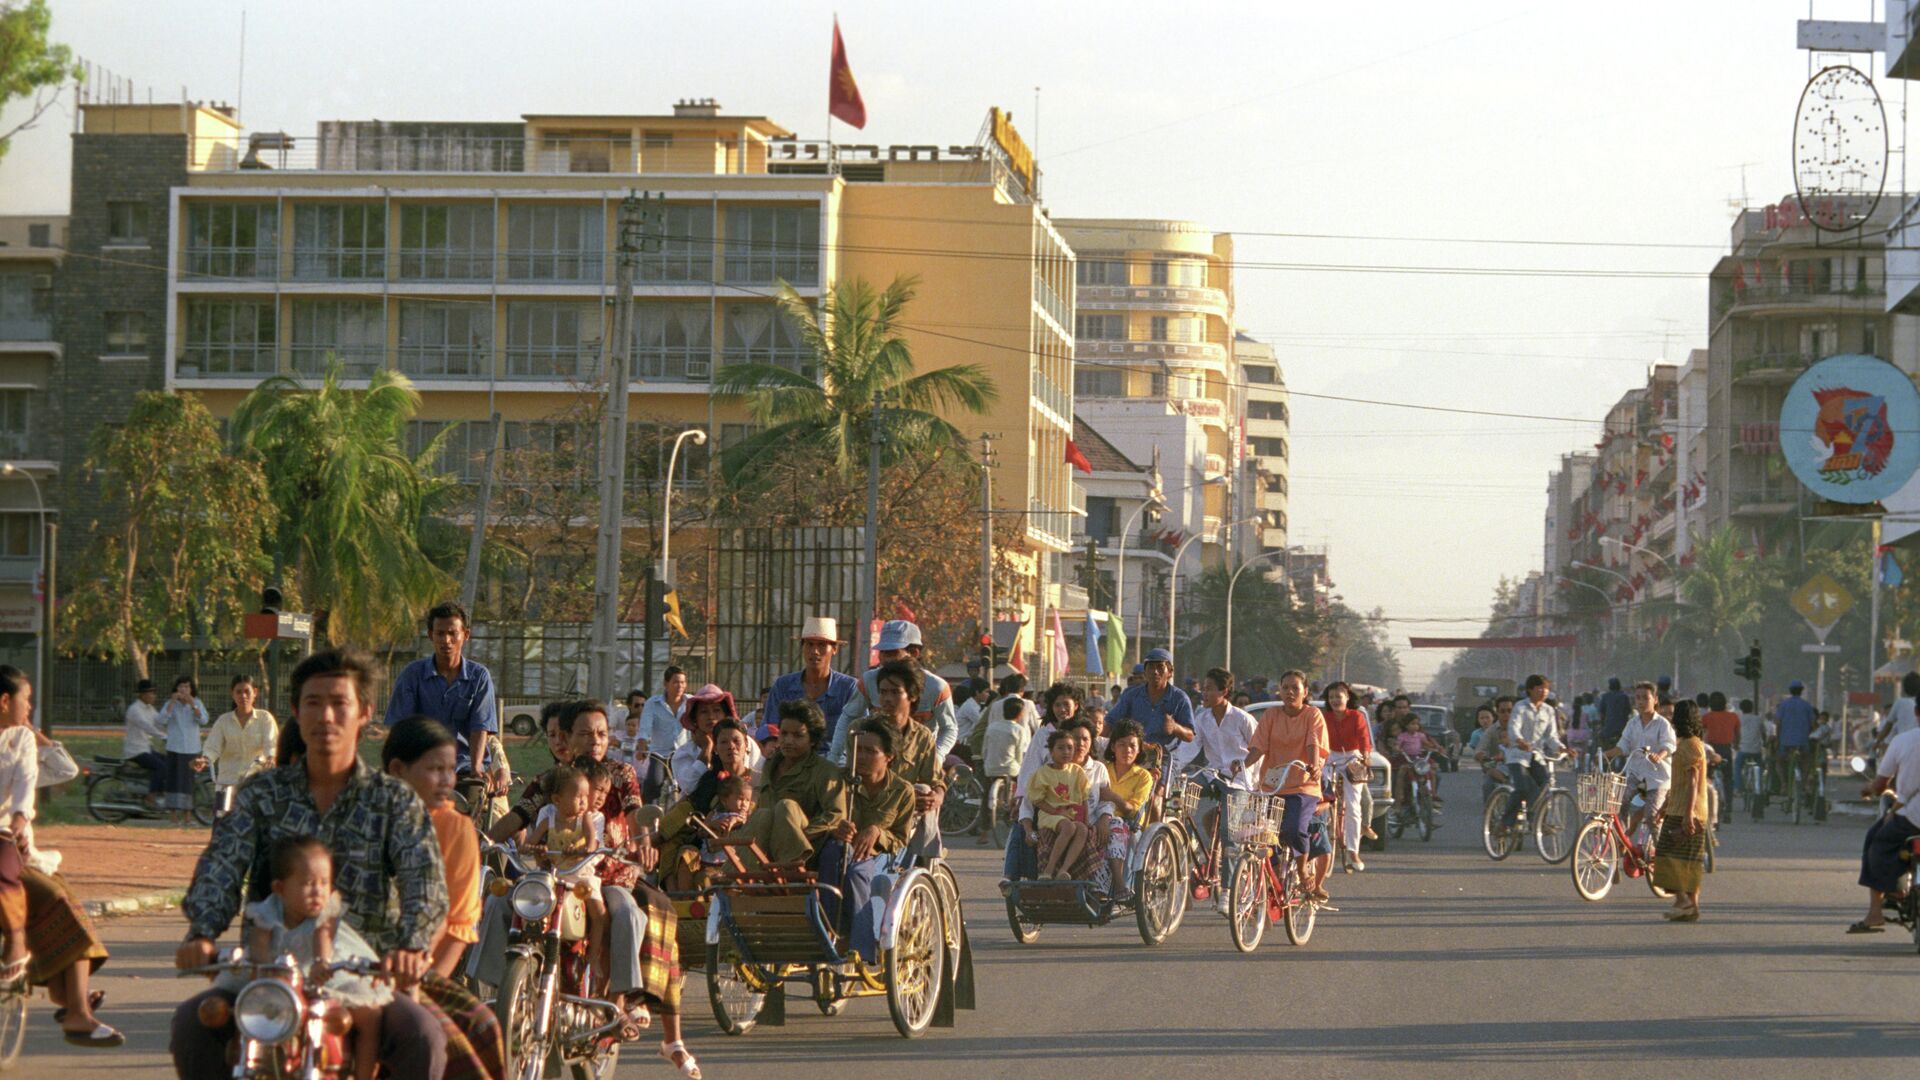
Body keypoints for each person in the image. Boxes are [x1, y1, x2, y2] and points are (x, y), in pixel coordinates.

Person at [174, 648, 465, 1080]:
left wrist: (410, 947)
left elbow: (424, 880)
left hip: (364, 975)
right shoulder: (261, 793)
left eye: (338, 703)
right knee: (191, 1025)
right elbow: (222, 863)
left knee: (422, 1035)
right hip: (270, 972)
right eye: (313, 702)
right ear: (296, 710)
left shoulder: (393, 799)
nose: (326, 716)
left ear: (364, 712)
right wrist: (201, 931)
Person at [484, 699, 695, 1076]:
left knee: (626, 911)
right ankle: (500, 993)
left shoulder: (621, 771)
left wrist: (643, 839)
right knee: (505, 904)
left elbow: (635, 811)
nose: (595, 740)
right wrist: (480, 839)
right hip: (554, 876)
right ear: (567, 738)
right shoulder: (553, 779)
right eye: (585, 733)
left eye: (601, 733)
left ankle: (622, 1000)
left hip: (608, 874)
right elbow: (520, 813)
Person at [224, 835, 391, 1080]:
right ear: (280, 888)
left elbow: (322, 938)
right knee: (229, 1010)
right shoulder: (268, 909)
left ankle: (364, 1074)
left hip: (325, 976)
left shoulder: (326, 911)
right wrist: (260, 967)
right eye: (308, 883)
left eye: (325, 883)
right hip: (276, 978)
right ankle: (244, 1063)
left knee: (370, 1015)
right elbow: (258, 944)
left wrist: (321, 964)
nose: (318, 892)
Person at [382, 716, 482, 980]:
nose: (448, 781)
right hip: (355, 967)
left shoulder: (456, 828)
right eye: (436, 769)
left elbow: (459, 924)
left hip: (421, 975)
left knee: (482, 1023)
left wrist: (430, 989)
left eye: (451, 770)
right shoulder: (365, 817)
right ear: (397, 769)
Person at [817, 719, 916, 961]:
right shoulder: (838, 781)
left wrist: (877, 832)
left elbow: (901, 838)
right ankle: (831, 932)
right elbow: (823, 817)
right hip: (841, 851)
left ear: (889, 756)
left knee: (857, 871)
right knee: (836, 854)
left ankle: (861, 948)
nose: (860, 757)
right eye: (857, 750)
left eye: (870, 751)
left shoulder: (902, 791)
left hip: (882, 858)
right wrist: (835, 829)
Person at [383, 602, 497, 789]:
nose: (446, 640)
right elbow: (399, 727)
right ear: (430, 635)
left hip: (464, 767)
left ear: (465, 635)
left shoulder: (479, 677)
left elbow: (480, 727)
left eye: (453, 633)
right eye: (440, 633)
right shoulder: (412, 675)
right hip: (422, 767)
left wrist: (476, 768)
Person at [1246, 671, 1329, 901]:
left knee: (1293, 829)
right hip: (1272, 787)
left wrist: (1312, 766)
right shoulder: (1271, 715)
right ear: (1279, 690)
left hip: (1303, 786)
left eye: (1295, 688)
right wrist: (1241, 767)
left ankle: (1302, 870)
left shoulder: (1313, 715)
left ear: (1305, 692)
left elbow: (1313, 742)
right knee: (1262, 836)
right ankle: (1271, 883)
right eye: (1285, 688)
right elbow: (1258, 746)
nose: (1290, 692)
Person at [733, 700, 848, 865]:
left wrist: (798, 834)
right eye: (784, 734)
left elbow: (836, 816)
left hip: (808, 850)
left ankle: (790, 869)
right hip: (767, 849)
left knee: (786, 807)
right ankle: (736, 879)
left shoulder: (825, 771)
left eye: (798, 736)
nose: (788, 741)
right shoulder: (769, 766)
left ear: (813, 740)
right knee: (761, 815)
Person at [831, 620, 957, 764]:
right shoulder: (869, 680)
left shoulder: (937, 687)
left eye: (892, 653)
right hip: (879, 760)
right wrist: (834, 759)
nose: (885, 659)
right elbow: (848, 718)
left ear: (914, 653)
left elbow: (949, 729)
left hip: (918, 761)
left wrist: (937, 758)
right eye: (883, 653)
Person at [528, 764, 610, 985]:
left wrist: (584, 850)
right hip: (556, 874)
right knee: (535, 907)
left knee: (599, 912)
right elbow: (530, 843)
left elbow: (593, 841)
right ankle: (534, 950)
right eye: (578, 797)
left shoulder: (585, 819)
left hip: (580, 874)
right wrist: (538, 849)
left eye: (586, 796)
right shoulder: (549, 818)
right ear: (557, 799)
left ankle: (593, 955)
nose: (584, 802)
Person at [1852, 722, 1920, 933]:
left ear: (1916, 712)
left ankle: (1875, 912)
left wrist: (1868, 789)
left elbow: (1880, 785)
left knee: (1876, 840)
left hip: (1912, 818)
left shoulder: (1903, 741)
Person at [761, 617, 861, 755]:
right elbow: (770, 728)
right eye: (809, 644)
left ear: (834, 649)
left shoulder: (849, 688)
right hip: (791, 760)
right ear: (802, 647)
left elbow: (859, 732)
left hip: (834, 765)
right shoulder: (783, 686)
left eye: (821, 645)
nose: (814, 651)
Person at [1652, 702, 1709, 921]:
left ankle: (1683, 900)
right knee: (1688, 862)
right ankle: (1689, 906)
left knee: (1667, 857)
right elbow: (1679, 783)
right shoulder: (1686, 744)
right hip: (1680, 808)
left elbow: (1693, 782)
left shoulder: (1690, 746)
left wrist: (1687, 815)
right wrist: (1665, 806)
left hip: (1686, 812)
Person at [203, 675, 277, 817]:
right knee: (222, 826)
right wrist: (205, 759)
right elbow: (213, 747)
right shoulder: (223, 721)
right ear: (232, 694)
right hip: (227, 784)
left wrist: (270, 757)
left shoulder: (265, 718)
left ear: (255, 692)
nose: (243, 696)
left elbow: (270, 743)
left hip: (254, 784)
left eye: (247, 691)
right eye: (238, 692)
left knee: (256, 828)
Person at [1611, 681, 1677, 841]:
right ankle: (1623, 842)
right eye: (1637, 698)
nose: (1640, 702)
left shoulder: (1662, 724)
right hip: (1636, 773)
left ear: (1655, 699)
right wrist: (1609, 753)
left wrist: (1659, 755)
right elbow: (1624, 744)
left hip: (1658, 778)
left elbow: (1669, 744)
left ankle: (1660, 855)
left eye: (1645, 698)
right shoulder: (1632, 723)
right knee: (1620, 803)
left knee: (1651, 816)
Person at [1499, 675, 1564, 835]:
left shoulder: (1549, 711)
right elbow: (1513, 728)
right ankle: (1504, 822)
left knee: (1545, 785)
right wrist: (1520, 740)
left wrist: (1562, 748)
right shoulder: (1520, 707)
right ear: (1530, 689)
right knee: (1523, 787)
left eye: (1546, 688)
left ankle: (1537, 820)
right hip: (1517, 755)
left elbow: (1551, 736)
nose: (1544, 691)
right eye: (1540, 688)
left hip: (1536, 755)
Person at [1098, 719, 1154, 899]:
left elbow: (1132, 810)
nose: (1127, 750)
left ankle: (1119, 885)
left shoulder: (1143, 776)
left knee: (1116, 828)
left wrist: (1113, 797)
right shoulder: (1102, 769)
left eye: (1132, 746)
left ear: (1139, 750)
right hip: (1099, 818)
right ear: (1113, 747)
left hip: (1128, 823)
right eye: (1121, 745)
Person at [671, 685, 764, 792]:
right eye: (704, 712)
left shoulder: (747, 743)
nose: (711, 716)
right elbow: (690, 787)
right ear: (695, 718)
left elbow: (761, 776)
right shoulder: (684, 753)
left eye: (716, 710)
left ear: (726, 714)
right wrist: (707, 747)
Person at [1105, 648, 1195, 757]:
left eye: (1160, 667)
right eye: (1151, 667)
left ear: (1170, 672)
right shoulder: (1132, 696)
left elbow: (1190, 736)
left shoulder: (1179, 698)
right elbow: (1109, 722)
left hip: (1165, 759)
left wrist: (1175, 727)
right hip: (1135, 756)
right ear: (1145, 672)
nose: (1155, 671)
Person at [1026, 728, 1091, 879]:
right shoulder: (1042, 773)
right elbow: (1038, 801)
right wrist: (1056, 812)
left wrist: (1086, 820)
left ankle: (1064, 869)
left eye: (1069, 748)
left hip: (1071, 814)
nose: (1066, 752)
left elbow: (1084, 798)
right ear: (1051, 750)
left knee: (1081, 829)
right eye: (1060, 748)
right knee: (1068, 826)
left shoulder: (1077, 771)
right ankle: (1048, 869)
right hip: (1050, 814)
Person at [1322, 681, 1373, 871]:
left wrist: (1366, 756)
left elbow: (1363, 739)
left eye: (1339, 696)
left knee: (1353, 805)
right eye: (1331, 697)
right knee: (1320, 797)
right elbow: (1317, 739)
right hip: (1329, 756)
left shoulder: (1356, 716)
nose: (1335, 700)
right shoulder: (1323, 717)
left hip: (1353, 757)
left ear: (1347, 697)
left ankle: (1353, 851)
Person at [979, 696, 1032, 845]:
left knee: (985, 799)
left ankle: (983, 833)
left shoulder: (992, 727)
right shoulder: (1019, 729)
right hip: (1011, 769)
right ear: (1020, 713)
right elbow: (1019, 754)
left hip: (990, 768)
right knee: (1021, 795)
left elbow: (985, 749)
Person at [158, 675, 210, 824]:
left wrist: (192, 704)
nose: (184, 690)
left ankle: (188, 817)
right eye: (181, 687)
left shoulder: (197, 703)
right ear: (176, 689)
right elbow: (161, 720)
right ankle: (173, 816)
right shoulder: (170, 703)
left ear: (191, 689)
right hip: (174, 747)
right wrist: (172, 702)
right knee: (173, 782)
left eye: (187, 687)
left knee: (189, 782)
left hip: (192, 749)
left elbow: (204, 720)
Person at [1775, 680, 1818, 808]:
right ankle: (1804, 783)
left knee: (1780, 761)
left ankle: (1783, 784)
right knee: (1806, 760)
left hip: (1785, 741)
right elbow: (1813, 724)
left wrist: (1778, 739)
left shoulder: (1783, 705)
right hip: (1802, 742)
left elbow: (1778, 723)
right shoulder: (1807, 706)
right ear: (1801, 691)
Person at [123, 678, 166, 805]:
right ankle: (151, 795)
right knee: (161, 767)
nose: (154, 696)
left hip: (146, 748)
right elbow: (147, 726)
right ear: (142, 695)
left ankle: (162, 792)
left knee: (170, 762)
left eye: (154, 692)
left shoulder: (149, 708)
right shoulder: (134, 710)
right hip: (136, 751)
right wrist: (163, 737)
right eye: (151, 693)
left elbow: (159, 722)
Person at [1700, 691, 1740, 824]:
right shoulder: (1733, 716)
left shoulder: (1706, 717)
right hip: (1726, 750)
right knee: (1728, 779)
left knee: (1707, 779)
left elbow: (1700, 732)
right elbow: (1737, 734)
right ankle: (1728, 809)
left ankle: (1709, 808)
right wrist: (1736, 745)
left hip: (1711, 750)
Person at [637, 667, 691, 762]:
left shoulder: (691, 702)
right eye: (675, 682)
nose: (680, 686)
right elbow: (645, 729)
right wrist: (642, 747)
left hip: (684, 755)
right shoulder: (652, 703)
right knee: (654, 777)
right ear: (665, 684)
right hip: (659, 755)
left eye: (683, 682)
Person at [1875, 672, 1920, 757]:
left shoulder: (1900, 703)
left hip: (1903, 747)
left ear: (1904, 688)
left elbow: (1887, 727)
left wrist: (1877, 742)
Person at [1735, 697, 1770, 797]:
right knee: (1760, 766)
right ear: (1752, 708)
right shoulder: (1758, 719)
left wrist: (1736, 745)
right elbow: (1763, 733)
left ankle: (1739, 787)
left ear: (1741, 709)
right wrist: (1765, 743)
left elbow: (1736, 734)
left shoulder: (1738, 719)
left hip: (1743, 750)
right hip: (1756, 750)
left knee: (1737, 766)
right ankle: (1760, 785)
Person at [1595, 677, 1632, 752]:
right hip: (1622, 728)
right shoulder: (1624, 696)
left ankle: (1605, 759)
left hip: (1608, 728)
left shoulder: (1605, 696)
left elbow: (1601, 712)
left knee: (1601, 743)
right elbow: (1628, 711)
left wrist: (1603, 725)